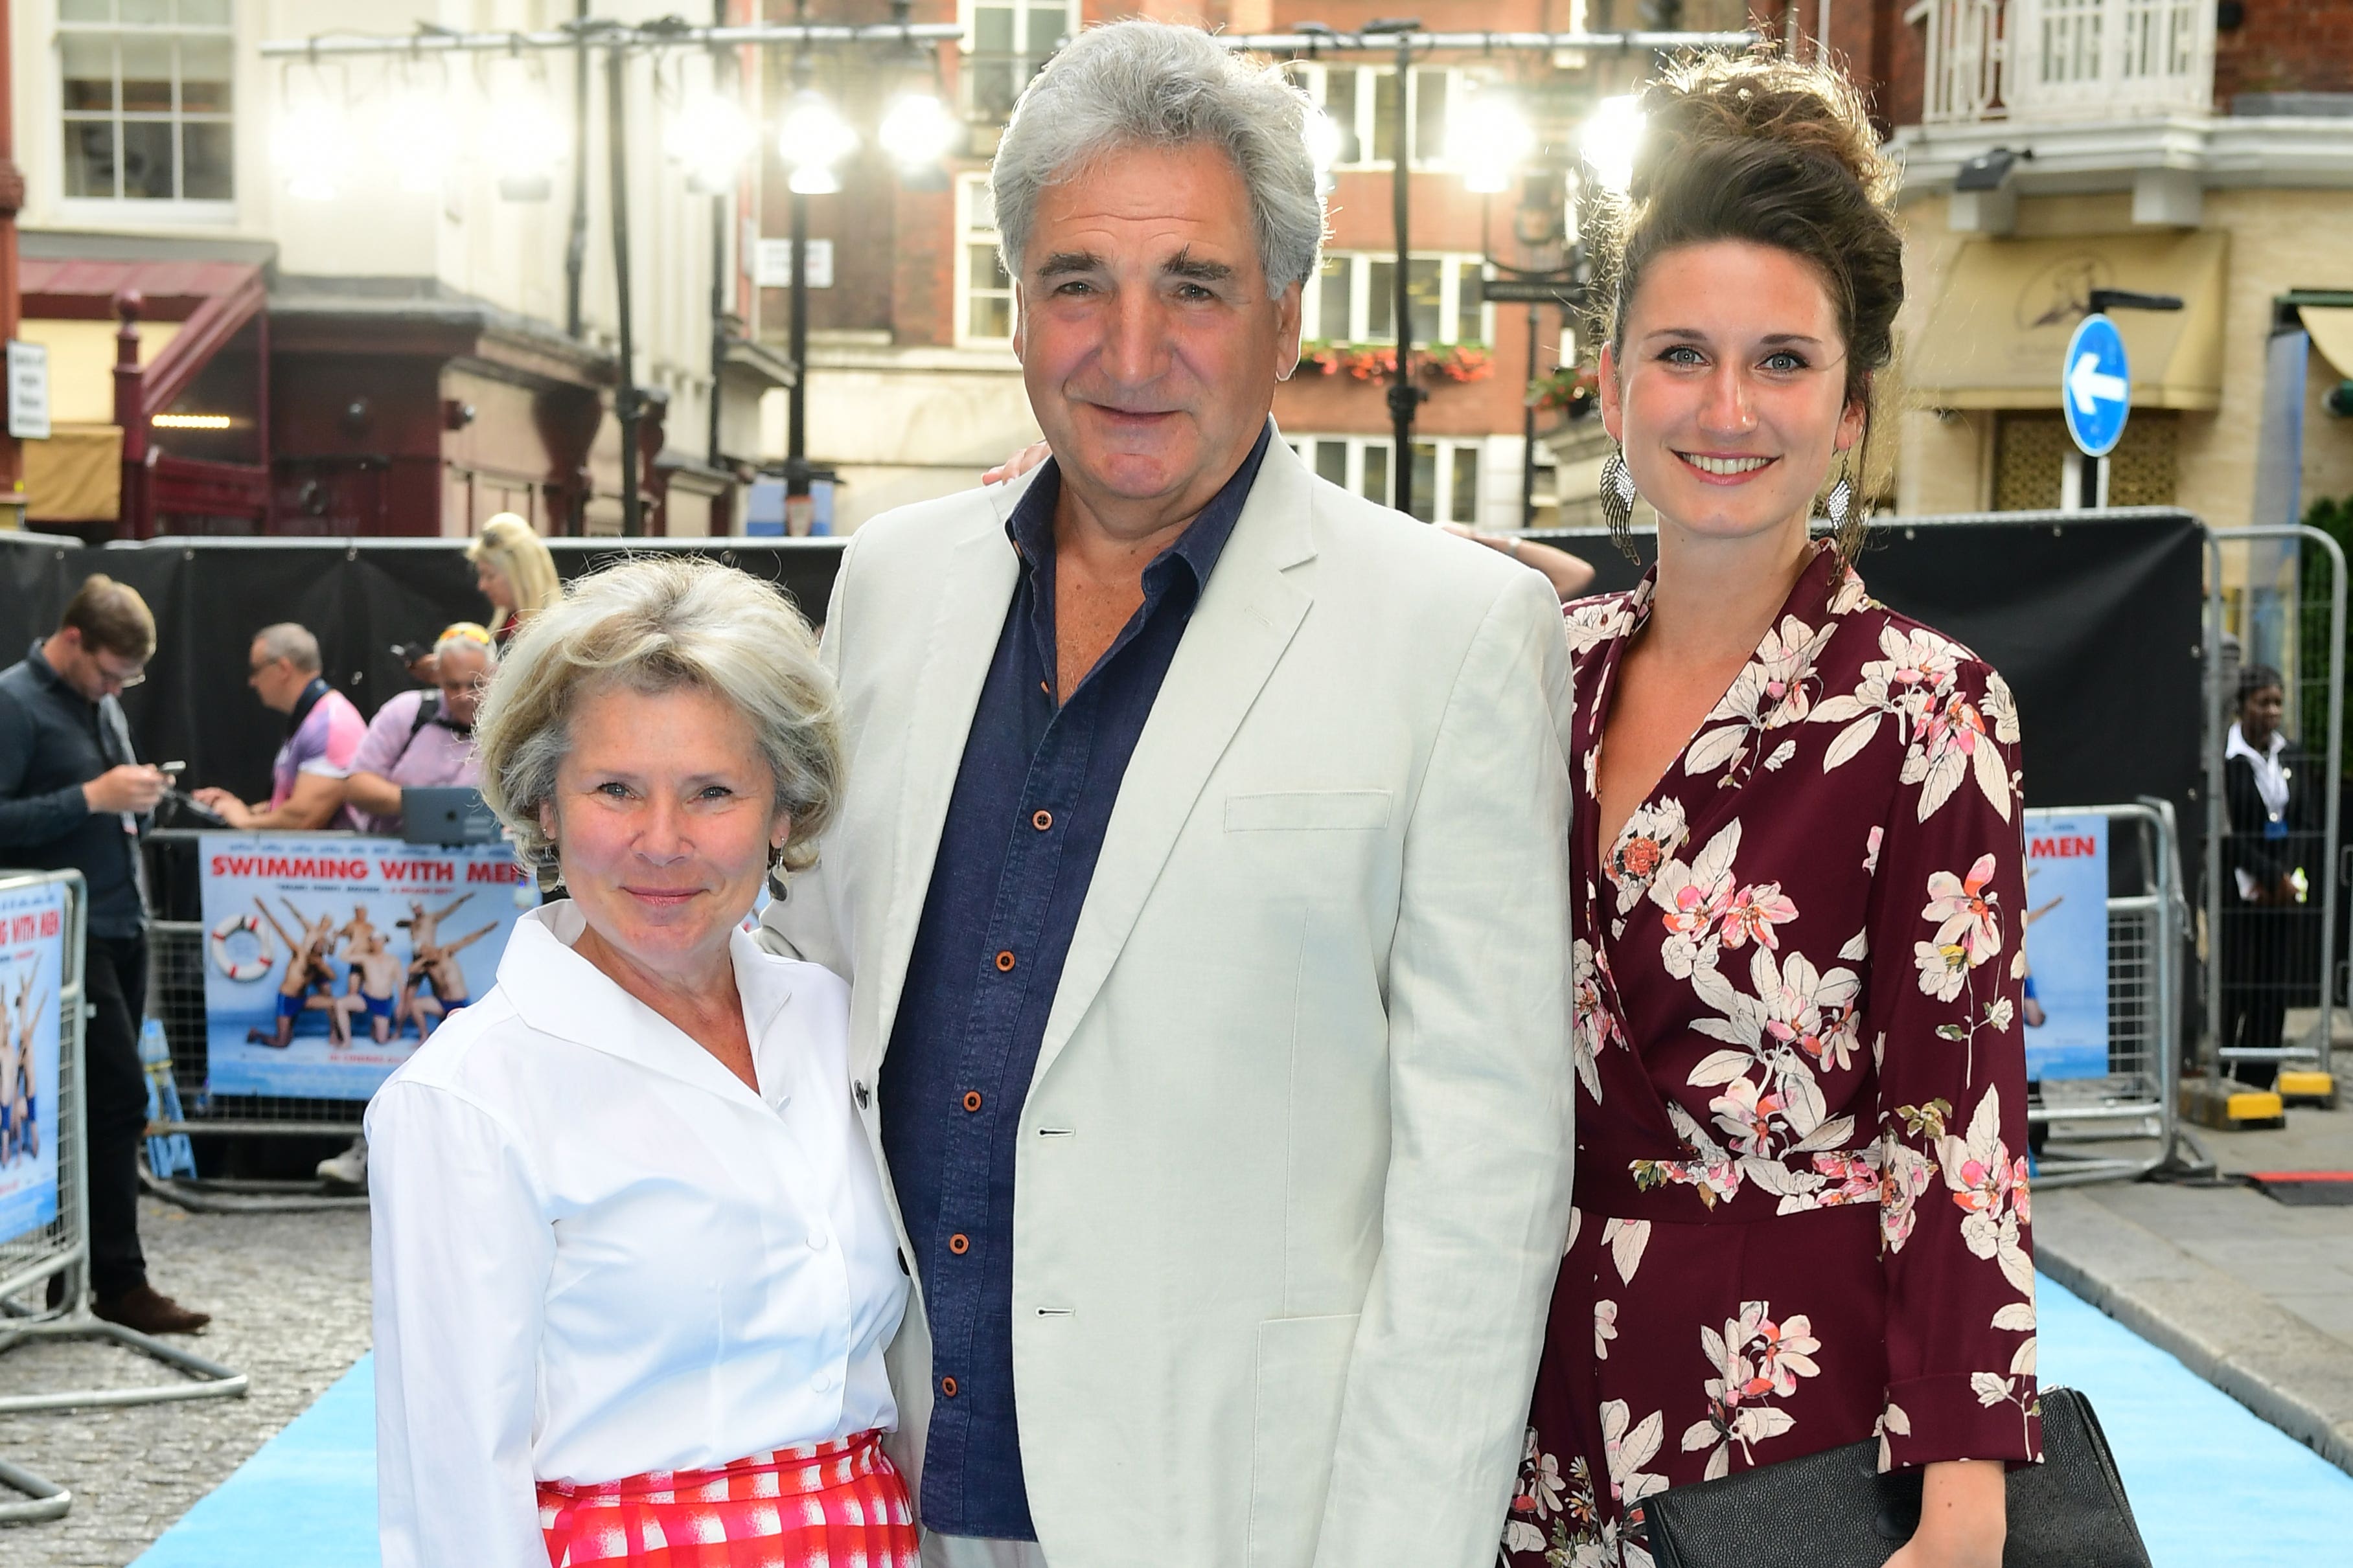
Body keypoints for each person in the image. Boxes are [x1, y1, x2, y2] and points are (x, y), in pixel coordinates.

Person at [761, 22, 1575, 1568]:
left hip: (1233, 1512)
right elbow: (810, 997)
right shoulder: (888, 583)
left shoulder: (1449, 631)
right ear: (1016, 312)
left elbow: (1484, 1176)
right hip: (882, 1481)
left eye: (1190, 286)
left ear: (1282, 318)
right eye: (1078, 281)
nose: (1127, 352)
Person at [1498, 55, 2036, 1568]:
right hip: (1528, 1405)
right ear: (1606, 387)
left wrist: (1962, 1492)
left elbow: (1958, 1128)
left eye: (1780, 362)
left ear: (1848, 409)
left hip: (1790, 1416)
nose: (1723, 407)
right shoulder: (1540, 674)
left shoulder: (1925, 711)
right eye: (1677, 353)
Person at [367, 556, 915, 1568]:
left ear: (785, 812)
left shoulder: (839, 1025)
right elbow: (452, 1493)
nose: (662, 843)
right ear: (545, 806)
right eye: (615, 788)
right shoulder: (469, 1098)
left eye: (714, 791)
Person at [0, 574, 209, 1333]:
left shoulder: (102, 703)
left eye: (129, 679)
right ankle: (111, 1277)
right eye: (111, 673)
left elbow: (109, 806)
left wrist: (141, 801)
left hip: (120, 922)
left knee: (106, 1104)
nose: (118, 687)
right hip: (60, 938)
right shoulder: (16, 703)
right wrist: (91, 799)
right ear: (73, 641)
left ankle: (84, 1272)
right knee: (114, 1097)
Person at [2219, 664, 2323, 1091]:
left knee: (2273, 984)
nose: (2272, 712)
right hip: (2240, 890)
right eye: (2263, 702)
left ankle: (2261, 1077)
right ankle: (2222, 1070)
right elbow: (2226, 830)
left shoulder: (2292, 755)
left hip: (2281, 891)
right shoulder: (2225, 761)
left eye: (2278, 702)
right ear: (2242, 706)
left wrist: (2284, 878)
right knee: (2237, 982)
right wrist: (2263, 873)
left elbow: (2304, 821)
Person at [192, 623, 365, 831]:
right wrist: (238, 808)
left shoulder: (330, 724)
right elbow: (290, 804)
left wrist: (245, 821)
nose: (252, 682)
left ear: (283, 668)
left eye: (256, 670)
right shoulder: (313, 718)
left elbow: (303, 819)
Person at [343, 624, 495, 836]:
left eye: (475, 685)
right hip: (397, 856)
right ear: (437, 678)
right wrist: (426, 805)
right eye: (452, 686)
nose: (463, 697)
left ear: (494, 675)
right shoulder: (407, 712)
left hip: (483, 860)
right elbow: (357, 785)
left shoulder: (510, 730)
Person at [466, 512, 560, 650]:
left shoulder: (553, 636)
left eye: (490, 576)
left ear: (521, 575)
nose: (482, 586)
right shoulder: (505, 628)